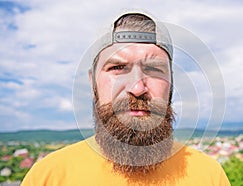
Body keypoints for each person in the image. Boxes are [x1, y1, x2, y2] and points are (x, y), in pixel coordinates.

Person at [22, 12, 230, 186]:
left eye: (154, 69)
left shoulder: (209, 176)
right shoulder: (47, 177)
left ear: (171, 83)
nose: (137, 88)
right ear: (92, 82)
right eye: (118, 68)